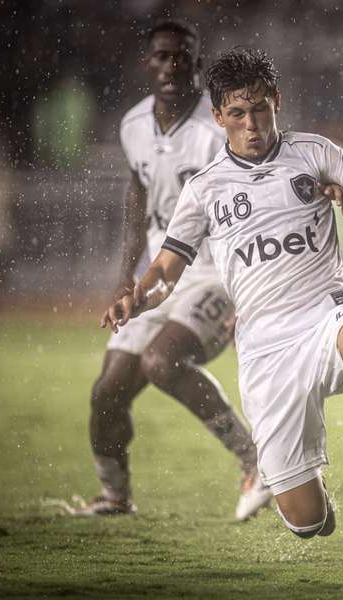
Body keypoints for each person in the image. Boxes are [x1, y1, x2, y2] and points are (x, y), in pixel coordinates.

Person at [102, 47, 343, 539]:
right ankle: (309, 489)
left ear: (276, 100)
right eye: (237, 113)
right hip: (265, 349)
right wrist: (140, 297)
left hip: (326, 313)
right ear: (219, 117)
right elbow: (167, 270)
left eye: (260, 108)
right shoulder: (205, 189)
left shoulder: (314, 152)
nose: (251, 123)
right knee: (308, 523)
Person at [74, 20, 271, 520]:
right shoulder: (133, 125)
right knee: (107, 392)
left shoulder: (216, 129)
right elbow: (137, 190)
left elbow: (251, 199)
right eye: (162, 56)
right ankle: (115, 495)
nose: (171, 66)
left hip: (214, 273)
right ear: (148, 63)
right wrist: (125, 275)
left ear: (198, 65)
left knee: (162, 363)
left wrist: (251, 293)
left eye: (182, 56)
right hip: (158, 275)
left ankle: (257, 461)